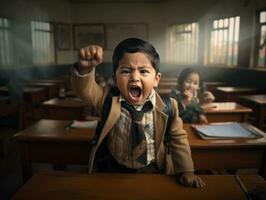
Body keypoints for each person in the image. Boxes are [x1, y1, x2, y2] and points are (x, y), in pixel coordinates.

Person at [71, 38, 205, 188]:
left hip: (152, 169)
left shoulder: (168, 107)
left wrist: (186, 171)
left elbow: (178, 140)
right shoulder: (107, 100)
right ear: (115, 78)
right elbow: (85, 92)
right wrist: (84, 70)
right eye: (126, 71)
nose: (135, 77)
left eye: (143, 71)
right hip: (113, 169)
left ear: (156, 79)